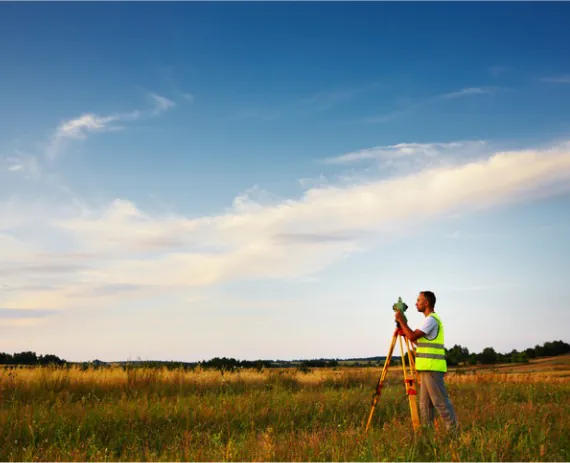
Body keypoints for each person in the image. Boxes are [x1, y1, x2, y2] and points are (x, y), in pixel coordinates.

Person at [394, 291, 458, 431]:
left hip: (432, 368)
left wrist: (401, 321)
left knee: (440, 403)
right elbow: (418, 341)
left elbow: (411, 337)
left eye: (419, 300)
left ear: (426, 303)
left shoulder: (431, 320)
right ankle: (428, 436)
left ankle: (454, 435)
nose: (416, 303)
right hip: (426, 369)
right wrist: (404, 326)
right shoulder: (428, 320)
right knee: (425, 406)